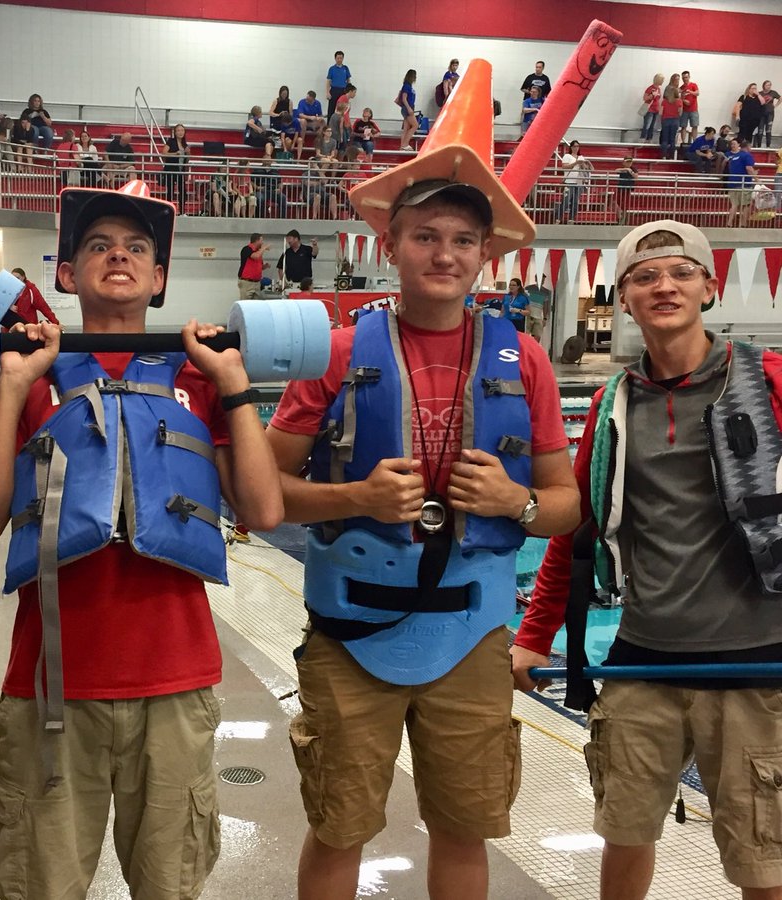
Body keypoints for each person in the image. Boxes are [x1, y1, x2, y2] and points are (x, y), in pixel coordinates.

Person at [266, 61, 579, 900]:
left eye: (462, 240)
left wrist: (515, 502)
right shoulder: (332, 353)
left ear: (485, 256)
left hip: (472, 641)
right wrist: (355, 500)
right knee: (338, 828)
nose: (444, 254)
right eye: (426, 236)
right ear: (391, 243)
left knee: (463, 828)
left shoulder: (530, 360)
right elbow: (259, 495)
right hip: (349, 635)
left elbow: (564, 507)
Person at [0, 179, 282, 900]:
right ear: (67, 274)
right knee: (41, 885)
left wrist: (234, 384)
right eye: (99, 245)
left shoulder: (199, 382)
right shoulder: (32, 379)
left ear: (160, 276)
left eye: (138, 247)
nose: (120, 256)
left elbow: (262, 508)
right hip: (50, 685)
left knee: (169, 887)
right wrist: (11, 389)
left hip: (175, 684)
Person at [512, 219, 782, 900]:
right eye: (644, 275)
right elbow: (574, 533)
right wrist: (533, 637)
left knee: (764, 861)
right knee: (625, 833)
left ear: (709, 287)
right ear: (623, 298)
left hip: (755, 660)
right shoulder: (610, 405)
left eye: (681, 271)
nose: (664, 285)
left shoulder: (771, 380)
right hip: (642, 658)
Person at [555, 140, 592, 225]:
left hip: (578, 182)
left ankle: (571, 219)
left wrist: (585, 164)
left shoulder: (581, 157)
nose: (576, 148)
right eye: (574, 146)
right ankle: (558, 218)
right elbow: (564, 167)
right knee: (566, 201)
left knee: (575, 201)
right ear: (571, 147)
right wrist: (576, 163)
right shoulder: (567, 156)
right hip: (569, 181)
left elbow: (586, 169)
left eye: (577, 146)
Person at [725, 136, 759, 227]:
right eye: (750, 147)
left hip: (732, 183)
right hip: (744, 184)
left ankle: (729, 223)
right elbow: (749, 169)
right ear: (747, 147)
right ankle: (743, 224)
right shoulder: (747, 155)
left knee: (734, 205)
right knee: (746, 205)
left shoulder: (734, 156)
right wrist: (757, 180)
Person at [252, 142, 287, 218]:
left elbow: (280, 182)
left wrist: (279, 188)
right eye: (266, 159)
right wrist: (257, 187)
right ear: (262, 160)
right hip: (262, 190)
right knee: (260, 198)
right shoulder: (257, 170)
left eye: (269, 159)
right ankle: (260, 218)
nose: (268, 160)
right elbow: (251, 181)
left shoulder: (275, 171)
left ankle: (282, 218)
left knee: (283, 198)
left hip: (273, 191)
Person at [163, 122, 190, 208]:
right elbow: (164, 153)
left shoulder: (185, 144)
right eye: (178, 130)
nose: (180, 132)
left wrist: (188, 154)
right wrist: (175, 153)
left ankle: (182, 211)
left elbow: (187, 160)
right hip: (170, 169)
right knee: (170, 191)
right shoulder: (170, 141)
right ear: (175, 132)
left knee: (182, 191)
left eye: (182, 130)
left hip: (180, 171)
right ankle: (168, 210)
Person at [294, 90, 326, 160]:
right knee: (303, 121)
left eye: (309, 100)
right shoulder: (302, 102)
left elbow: (320, 114)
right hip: (304, 121)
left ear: (313, 100)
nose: (307, 101)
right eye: (306, 99)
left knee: (323, 122)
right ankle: (302, 140)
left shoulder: (318, 103)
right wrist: (310, 117)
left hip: (313, 122)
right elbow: (300, 115)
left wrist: (319, 118)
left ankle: (319, 140)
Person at [734, 83, 765, 147]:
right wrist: (737, 115)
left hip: (754, 120)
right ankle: (738, 146)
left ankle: (747, 147)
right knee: (742, 134)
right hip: (744, 119)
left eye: (755, 88)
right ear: (749, 89)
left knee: (749, 134)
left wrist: (758, 94)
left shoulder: (758, 97)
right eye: (753, 88)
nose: (754, 90)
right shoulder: (744, 97)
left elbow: (763, 102)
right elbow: (738, 106)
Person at [238, 232, 268, 298]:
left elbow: (259, 266)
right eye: (261, 241)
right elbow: (255, 256)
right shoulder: (247, 249)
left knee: (256, 305)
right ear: (256, 241)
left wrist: (264, 266)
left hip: (257, 283)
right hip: (247, 282)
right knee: (246, 304)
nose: (262, 243)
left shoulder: (259, 252)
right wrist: (263, 248)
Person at [660, 75, 682, 161]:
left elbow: (660, 112)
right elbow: (680, 113)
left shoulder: (664, 101)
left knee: (665, 139)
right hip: (675, 120)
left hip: (666, 120)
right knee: (672, 140)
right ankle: (671, 156)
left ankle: (664, 156)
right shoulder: (679, 101)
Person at [612, 156, 638, 226]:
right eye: (627, 162)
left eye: (630, 162)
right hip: (620, 188)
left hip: (628, 189)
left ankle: (622, 221)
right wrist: (625, 169)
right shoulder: (622, 169)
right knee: (614, 202)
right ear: (623, 162)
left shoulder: (633, 169)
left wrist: (630, 171)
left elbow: (636, 177)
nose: (629, 164)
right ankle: (619, 215)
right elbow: (616, 171)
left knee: (625, 207)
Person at [397, 69, 419, 150]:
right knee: (415, 125)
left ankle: (402, 146)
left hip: (407, 108)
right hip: (407, 108)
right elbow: (404, 99)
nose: (415, 78)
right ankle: (405, 144)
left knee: (406, 129)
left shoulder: (408, 86)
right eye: (414, 76)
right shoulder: (406, 86)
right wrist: (409, 108)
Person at [327, 51, 352, 118]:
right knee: (331, 109)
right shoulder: (332, 69)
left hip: (343, 91)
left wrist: (349, 92)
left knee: (342, 108)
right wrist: (327, 92)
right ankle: (329, 125)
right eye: (338, 58)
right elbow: (328, 81)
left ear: (343, 58)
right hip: (334, 90)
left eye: (341, 58)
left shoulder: (345, 68)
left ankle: (341, 125)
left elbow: (348, 80)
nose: (339, 60)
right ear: (335, 58)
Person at [679, 70, 700, 148]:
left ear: (689, 77)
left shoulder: (693, 85)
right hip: (684, 110)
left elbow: (697, 93)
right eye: (683, 77)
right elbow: (677, 92)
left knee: (694, 126)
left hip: (693, 109)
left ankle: (694, 141)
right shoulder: (682, 87)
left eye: (686, 77)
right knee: (683, 126)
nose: (685, 79)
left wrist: (690, 92)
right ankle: (683, 142)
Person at [757, 79, 781, 148]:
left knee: (768, 130)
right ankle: (759, 146)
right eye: (767, 85)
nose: (769, 86)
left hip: (770, 113)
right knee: (760, 130)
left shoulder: (773, 92)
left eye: (770, 85)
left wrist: (776, 105)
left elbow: (780, 98)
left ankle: (768, 146)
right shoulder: (760, 93)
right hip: (761, 114)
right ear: (764, 86)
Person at [640, 74, 664, 142]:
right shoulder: (650, 88)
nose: (662, 81)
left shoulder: (658, 89)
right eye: (662, 80)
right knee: (647, 125)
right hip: (649, 110)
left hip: (655, 110)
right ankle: (642, 139)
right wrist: (651, 96)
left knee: (652, 126)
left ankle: (649, 139)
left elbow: (658, 100)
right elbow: (645, 98)